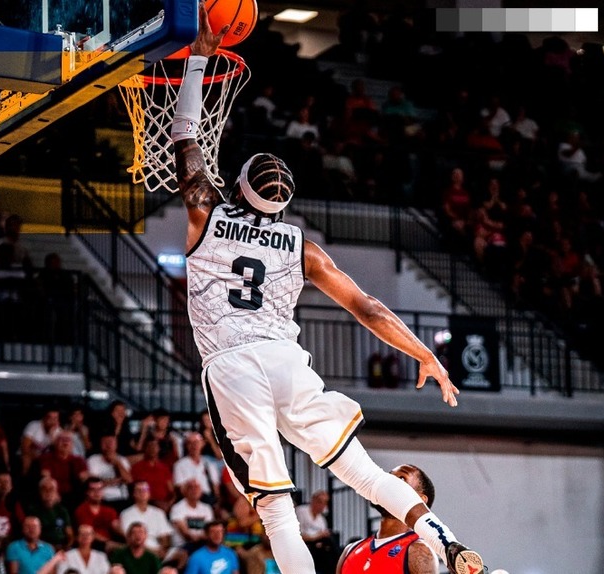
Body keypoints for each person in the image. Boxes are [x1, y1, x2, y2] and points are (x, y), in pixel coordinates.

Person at [167, 9, 486, 574]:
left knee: (274, 506)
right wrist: (425, 354)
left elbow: (185, 135)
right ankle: (449, 541)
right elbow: (369, 306)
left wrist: (197, 58)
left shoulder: (205, 215)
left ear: (237, 186)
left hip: (233, 363)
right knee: (363, 473)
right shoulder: (302, 248)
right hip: (287, 360)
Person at [336, 464, 439, 574]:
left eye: (401, 479)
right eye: (389, 477)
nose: (388, 485)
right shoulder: (350, 550)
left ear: (420, 500)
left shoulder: (419, 551)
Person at [119, 480, 175, 559]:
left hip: (158, 549)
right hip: (138, 549)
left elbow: (165, 536)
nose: (143, 492)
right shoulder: (126, 514)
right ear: (133, 494)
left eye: (145, 490)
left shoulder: (158, 513)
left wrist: (163, 549)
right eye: (139, 490)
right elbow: (130, 538)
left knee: (182, 555)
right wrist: (152, 551)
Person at [294, 491, 338, 574]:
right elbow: (298, 535)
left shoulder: (321, 520)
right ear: (313, 500)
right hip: (302, 544)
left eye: (325, 503)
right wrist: (317, 536)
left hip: (316, 546)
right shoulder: (301, 511)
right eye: (320, 501)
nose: (322, 505)